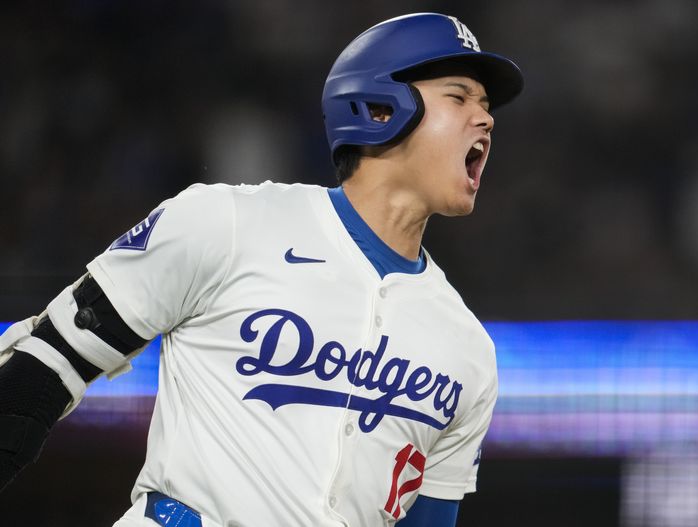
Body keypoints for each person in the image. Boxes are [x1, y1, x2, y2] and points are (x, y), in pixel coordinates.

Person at [0, 12, 523, 527]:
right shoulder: (228, 223)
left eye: (485, 105)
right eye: (459, 97)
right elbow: (43, 368)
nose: (486, 118)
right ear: (381, 110)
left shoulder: (467, 350)